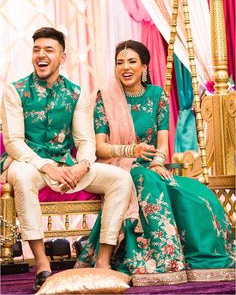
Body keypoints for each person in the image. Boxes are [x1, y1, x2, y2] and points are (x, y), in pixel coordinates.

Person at [75, 40, 235, 286]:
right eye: (120, 63)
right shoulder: (105, 98)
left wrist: (158, 161)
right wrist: (131, 150)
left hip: (153, 166)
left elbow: (162, 143)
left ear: (144, 67)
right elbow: (100, 147)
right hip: (119, 165)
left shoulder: (157, 95)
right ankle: (163, 259)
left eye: (131, 62)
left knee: (195, 193)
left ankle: (204, 253)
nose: (125, 68)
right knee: (146, 179)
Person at [0, 28, 133, 292]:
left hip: (66, 165)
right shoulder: (15, 91)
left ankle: (104, 261)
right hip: (28, 164)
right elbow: (13, 142)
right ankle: (42, 264)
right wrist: (45, 166)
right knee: (23, 177)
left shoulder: (76, 93)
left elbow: (85, 142)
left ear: (62, 57)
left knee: (120, 178)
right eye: (37, 49)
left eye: (49, 50)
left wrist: (82, 165)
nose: (41, 55)